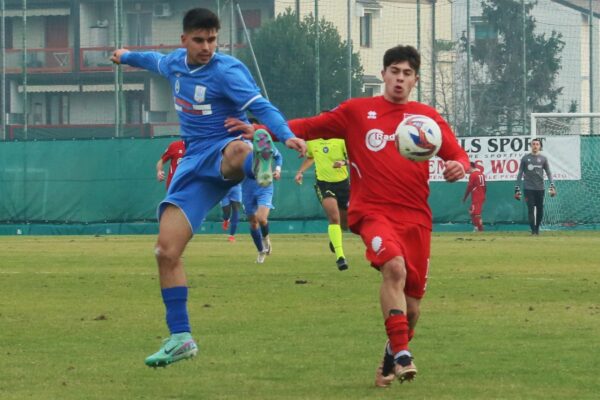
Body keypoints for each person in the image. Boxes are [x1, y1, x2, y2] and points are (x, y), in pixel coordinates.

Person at [231, 45, 469, 386]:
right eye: (394, 71)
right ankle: (403, 356)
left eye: (407, 74)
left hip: (416, 218)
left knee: (413, 309)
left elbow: (458, 154)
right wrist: (265, 129)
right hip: (372, 212)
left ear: (415, 80)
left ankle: (389, 358)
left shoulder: (425, 119)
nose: (399, 79)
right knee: (393, 267)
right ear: (384, 74)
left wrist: (457, 166)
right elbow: (310, 125)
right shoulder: (358, 111)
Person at [111, 7, 305, 368]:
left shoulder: (227, 71)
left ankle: (260, 160)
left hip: (223, 148)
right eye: (199, 40)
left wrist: (286, 134)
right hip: (192, 163)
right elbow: (151, 60)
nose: (207, 46)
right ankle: (181, 337)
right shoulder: (175, 63)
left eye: (212, 39)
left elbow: (260, 105)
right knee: (165, 251)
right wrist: (125, 56)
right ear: (184, 40)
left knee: (238, 149)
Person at [295, 138, 350, 270]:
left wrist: (343, 162)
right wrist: (300, 172)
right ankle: (340, 257)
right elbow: (310, 157)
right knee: (334, 218)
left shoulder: (341, 140)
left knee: (345, 224)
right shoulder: (313, 141)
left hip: (343, 184)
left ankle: (334, 238)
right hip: (323, 184)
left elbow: (354, 159)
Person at [243, 145, 283, 263]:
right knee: (253, 222)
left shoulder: (265, 143)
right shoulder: (240, 145)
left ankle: (265, 238)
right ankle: (261, 251)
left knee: (261, 218)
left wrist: (277, 170)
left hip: (265, 186)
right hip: (247, 188)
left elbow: (278, 156)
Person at [514, 138, 556, 235]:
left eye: (537, 144)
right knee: (531, 209)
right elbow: (520, 173)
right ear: (531, 146)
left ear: (540, 146)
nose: (535, 146)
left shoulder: (543, 159)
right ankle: (533, 231)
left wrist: (552, 184)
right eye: (533, 144)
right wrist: (517, 187)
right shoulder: (525, 158)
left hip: (540, 188)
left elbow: (548, 172)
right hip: (528, 188)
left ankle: (537, 229)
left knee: (540, 209)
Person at [462, 162, 486, 232]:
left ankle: (480, 230)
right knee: (471, 211)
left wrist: (465, 197)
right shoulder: (481, 174)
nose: (466, 170)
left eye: (467, 168)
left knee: (476, 214)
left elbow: (469, 186)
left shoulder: (473, 175)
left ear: (471, 167)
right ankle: (476, 227)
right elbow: (485, 187)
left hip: (477, 196)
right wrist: (483, 195)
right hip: (480, 195)